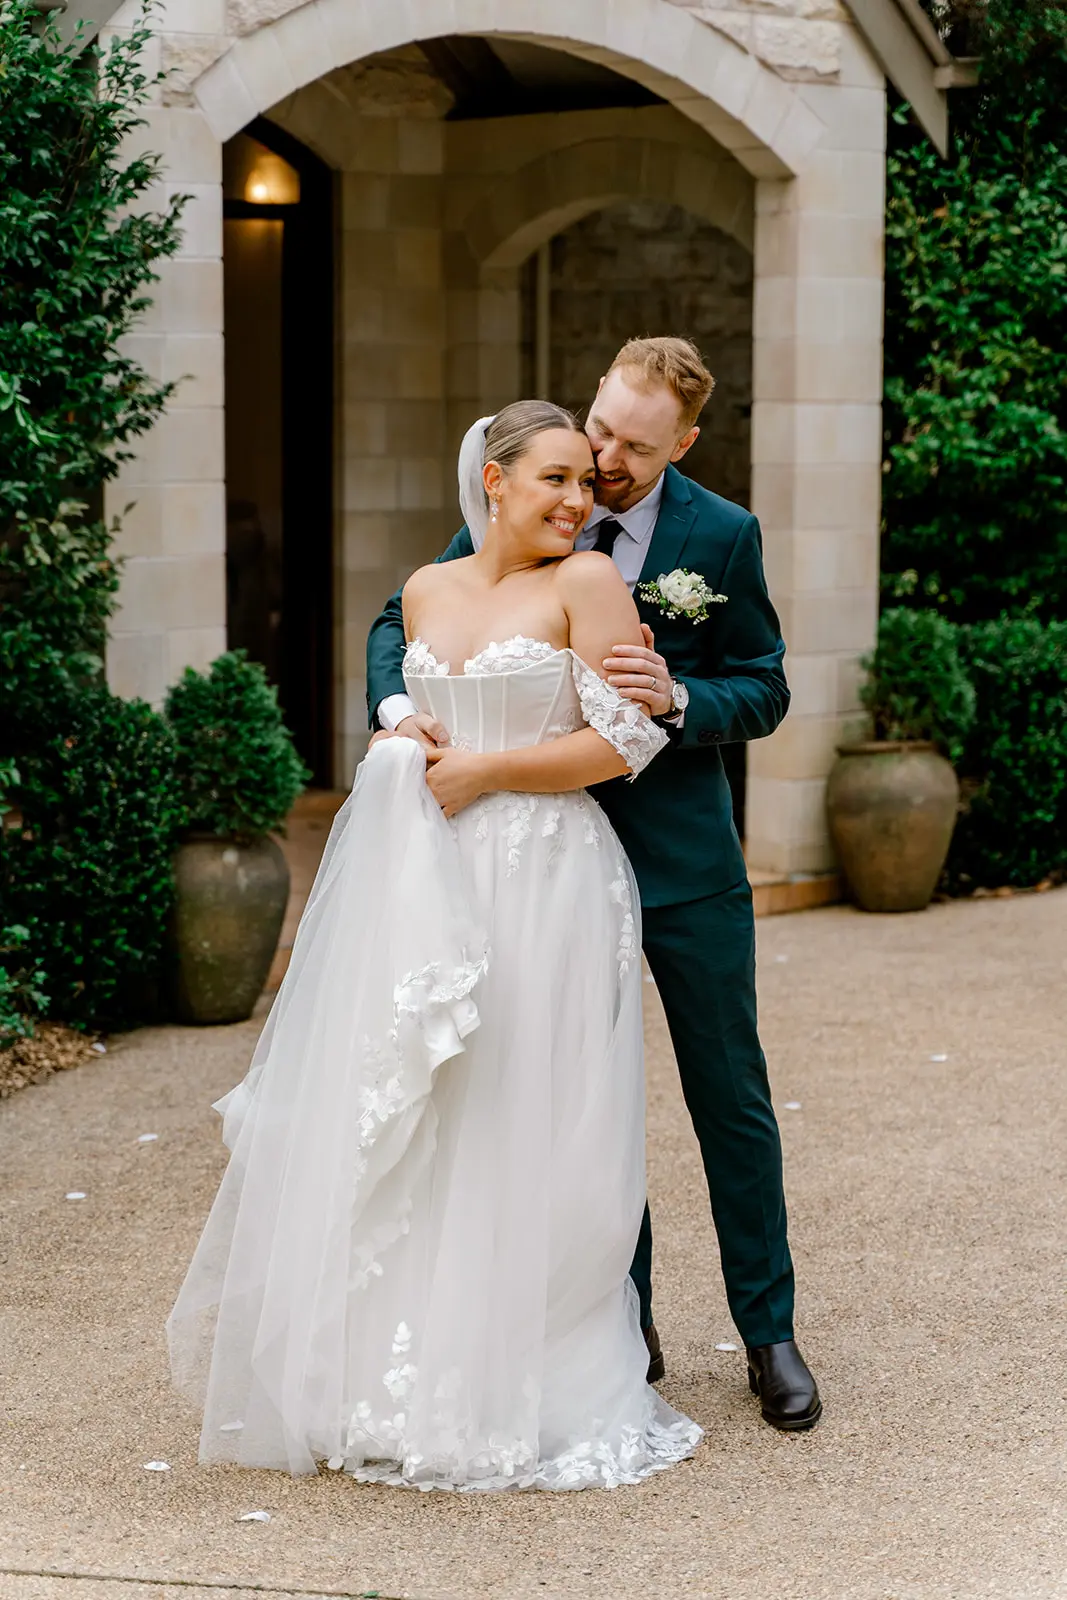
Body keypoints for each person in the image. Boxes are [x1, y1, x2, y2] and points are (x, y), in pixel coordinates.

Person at [167, 400, 702, 1490]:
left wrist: (488, 770)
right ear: (491, 481)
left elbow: (625, 739)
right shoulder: (423, 587)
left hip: (551, 877)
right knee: (433, 1109)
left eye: (584, 484)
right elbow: (405, 701)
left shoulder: (586, 585)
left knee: (532, 1113)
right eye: (550, 479)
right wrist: (402, 731)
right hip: (433, 877)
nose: (572, 500)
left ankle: (538, 1369)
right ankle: (410, 1366)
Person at [367, 337, 822, 1431]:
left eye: (631, 445)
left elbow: (761, 687)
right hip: (544, 869)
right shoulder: (537, 494)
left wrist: (677, 698)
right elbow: (412, 614)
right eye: (599, 426)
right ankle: (620, 1324)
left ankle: (769, 1334)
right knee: (576, 1094)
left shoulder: (721, 536)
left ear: (684, 443)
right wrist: (398, 711)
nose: (604, 461)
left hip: (679, 869)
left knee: (729, 1099)